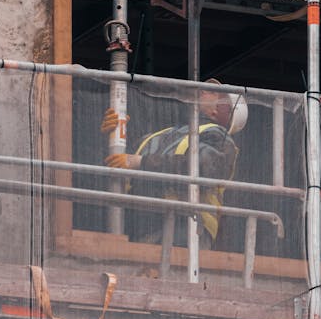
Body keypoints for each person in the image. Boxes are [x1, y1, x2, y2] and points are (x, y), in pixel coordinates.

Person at [102, 82, 248, 248]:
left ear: (219, 110)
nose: (202, 90)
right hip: (142, 223)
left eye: (213, 92)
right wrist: (113, 135)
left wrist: (141, 162)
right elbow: (121, 163)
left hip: (187, 225)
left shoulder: (218, 138)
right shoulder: (166, 134)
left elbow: (199, 168)